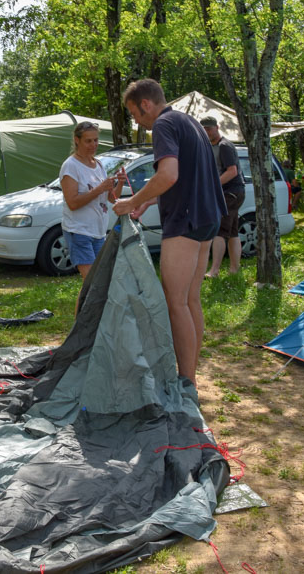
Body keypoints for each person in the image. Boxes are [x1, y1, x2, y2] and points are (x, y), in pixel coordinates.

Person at [113, 79, 225, 386]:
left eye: (134, 113)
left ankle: (185, 381)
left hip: (185, 223)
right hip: (208, 217)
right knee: (190, 300)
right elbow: (183, 177)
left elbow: (169, 174)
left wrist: (131, 201)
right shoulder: (189, 121)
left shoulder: (163, 124)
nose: (136, 120)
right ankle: (191, 372)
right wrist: (148, 202)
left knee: (175, 302)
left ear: (146, 104)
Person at [59, 121, 126, 279]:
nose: (93, 145)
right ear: (77, 140)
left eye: (96, 140)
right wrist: (99, 189)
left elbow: (111, 198)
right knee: (92, 282)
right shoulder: (70, 166)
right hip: (79, 231)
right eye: (88, 141)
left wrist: (120, 182)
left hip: (98, 232)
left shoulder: (98, 165)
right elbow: (73, 203)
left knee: (96, 283)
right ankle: (89, 305)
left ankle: (85, 305)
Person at [200, 116, 246, 277]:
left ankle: (214, 270)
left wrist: (212, 186)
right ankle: (234, 269)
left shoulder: (225, 146)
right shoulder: (209, 146)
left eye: (209, 128)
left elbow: (232, 171)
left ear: (217, 127)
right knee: (232, 232)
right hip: (229, 192)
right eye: (204, 129)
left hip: (231, 192)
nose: (207, 132)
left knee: (219, 231)